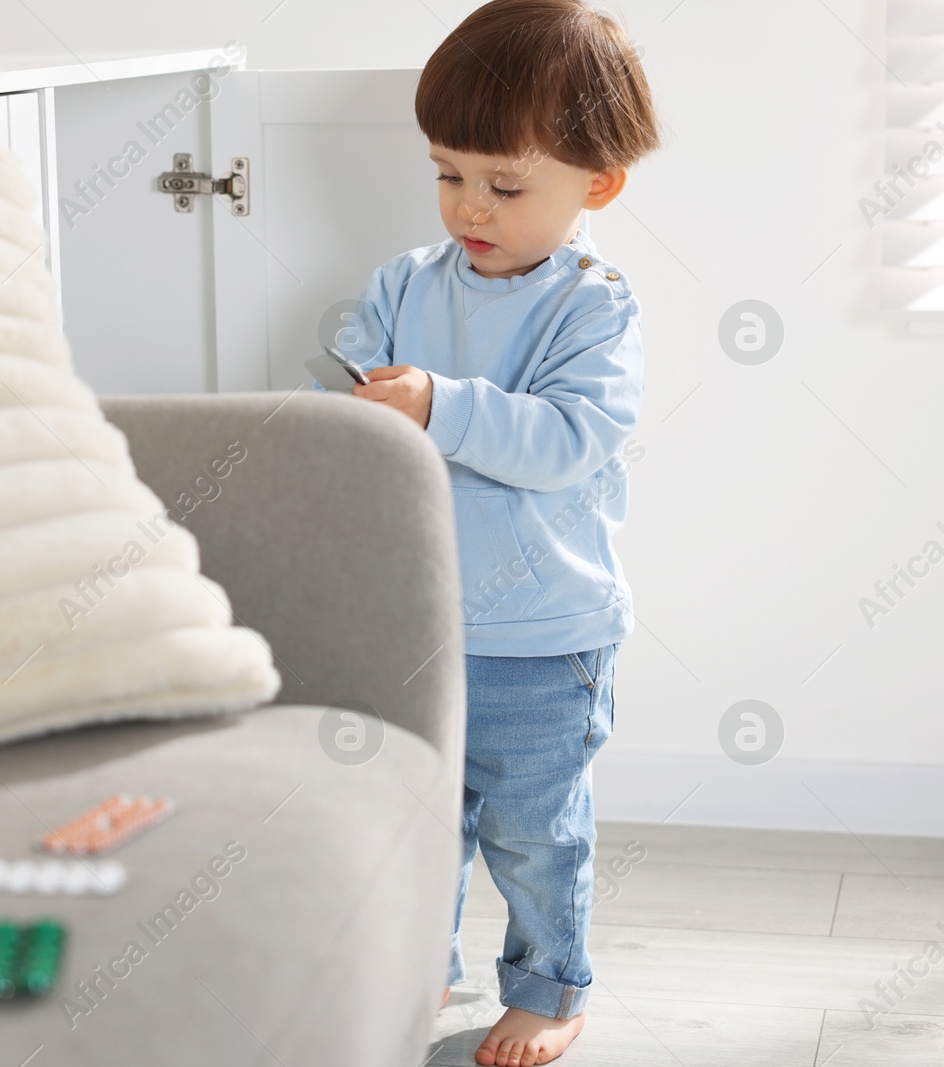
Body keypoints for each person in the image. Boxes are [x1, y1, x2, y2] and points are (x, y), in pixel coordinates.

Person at [333, 2, 661, 1063]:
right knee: (418, 824)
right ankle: (417, 970)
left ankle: (550, 985)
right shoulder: (404, 282)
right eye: (448, 173)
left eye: (504, 185)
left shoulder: (594, 308)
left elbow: (567, 437)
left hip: (541, 635)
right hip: (418, 629)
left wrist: (436, 402)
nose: (468, 205)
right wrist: (361, 386)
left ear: (595, 185)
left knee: (535, 834)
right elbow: (351, 367)